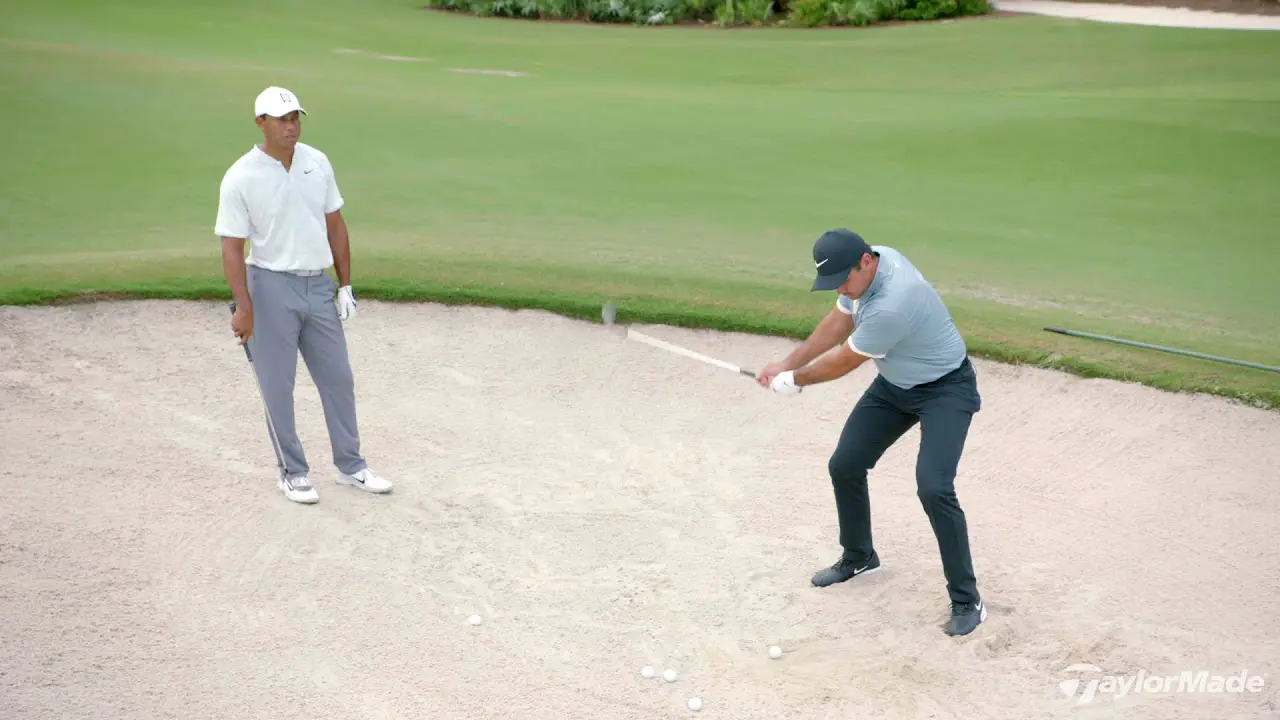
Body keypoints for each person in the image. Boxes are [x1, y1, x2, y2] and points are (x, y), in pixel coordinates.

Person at [757, 228, 986, 636]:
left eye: (843, 279)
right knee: (845, 464)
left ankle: (967, 599)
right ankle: (859, 556)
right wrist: (786, 364)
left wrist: (797, 380)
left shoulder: (893, 303)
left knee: (934, 487)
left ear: (866, 262)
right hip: (895, 387)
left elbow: (844, 361)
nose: (842, 289)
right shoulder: (870, 266)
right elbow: (837, 321)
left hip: (946, 390)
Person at [214, 85, 393, 504]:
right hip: (270, 285)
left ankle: (351, 466)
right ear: (261, 123)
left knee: (339, 380)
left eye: (295, 118)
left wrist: (345, 284)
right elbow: (232, 247)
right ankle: (292, 472)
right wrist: (244, 305)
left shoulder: (317, 162)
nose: (291, 126)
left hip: (318, 285)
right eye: (282, 119)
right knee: (278, 386)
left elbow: (335, 224)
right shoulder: (241, 175)